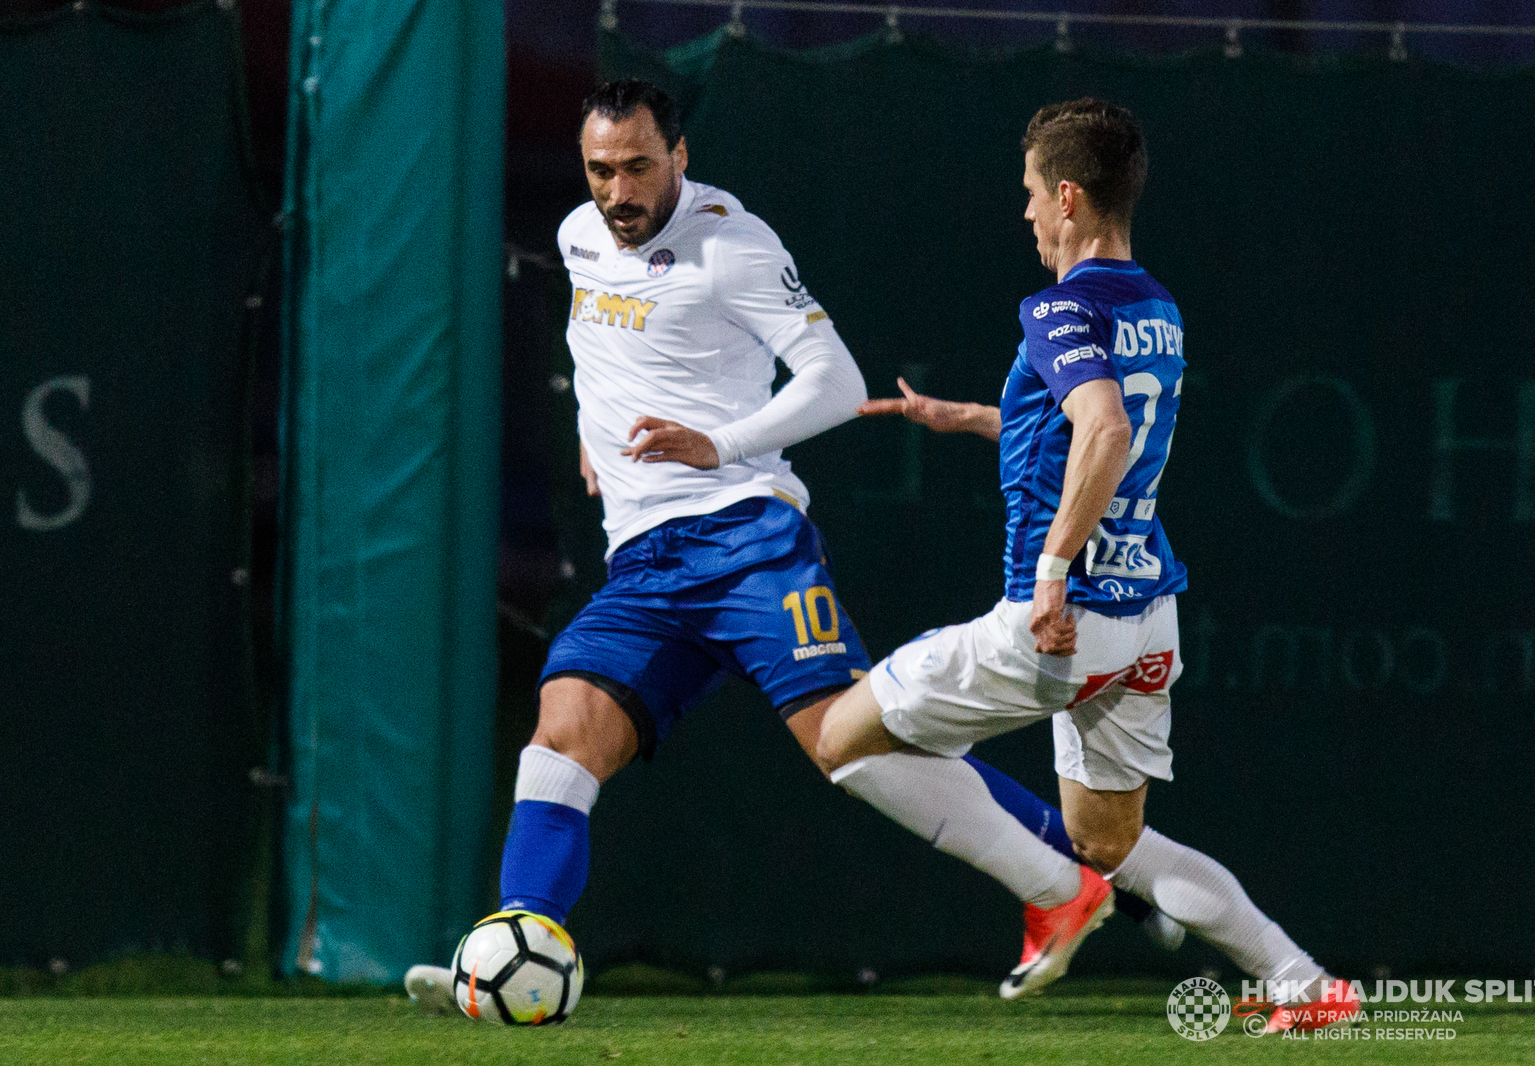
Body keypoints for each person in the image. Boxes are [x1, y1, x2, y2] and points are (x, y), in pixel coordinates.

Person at [404, 79, 1173, 1015]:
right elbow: (605, 341)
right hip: (644, 562)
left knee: (851, 739)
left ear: (680, 158)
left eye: (639, 168)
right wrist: (593, 433)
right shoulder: (576, 236)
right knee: (558, 740)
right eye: (600, 170)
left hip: (746, 535)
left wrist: (719, 444)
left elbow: (837, 382)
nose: (618, 192)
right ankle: (517, 945)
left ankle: (1074, 878)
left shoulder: (734, 244)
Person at [818, 98, 1360, 1028]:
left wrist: (1051, 571)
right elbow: (1096, 425)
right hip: (1148, 617)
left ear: (1067, 196)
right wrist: (979, 419)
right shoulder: (1155, 302)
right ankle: (1305, 985)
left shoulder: (1058, 306)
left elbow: (1105, 428)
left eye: (1030, 193)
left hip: (1062, 623)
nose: (1025, 212)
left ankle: (1049, 892)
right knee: (1111, 839)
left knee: (841, 737)